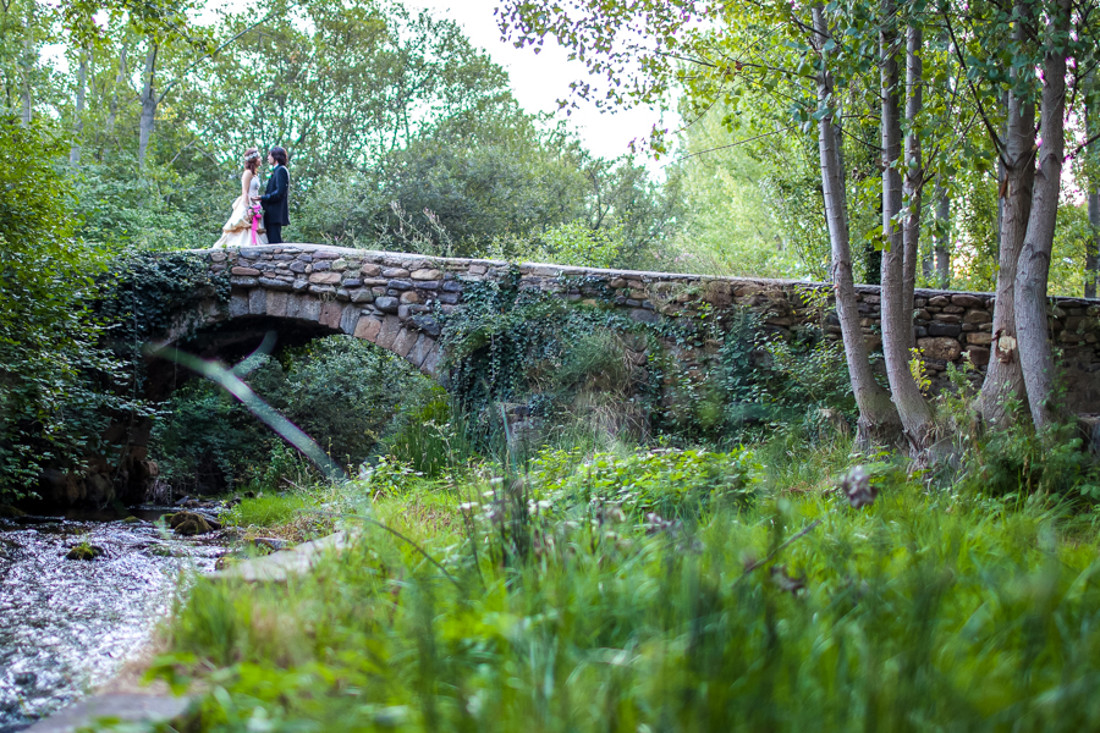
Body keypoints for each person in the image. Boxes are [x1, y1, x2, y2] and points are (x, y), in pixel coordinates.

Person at [212, 147, 267, 249]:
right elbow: (245, 191)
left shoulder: (255, 175)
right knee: (244, 226)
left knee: (254, 228)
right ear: (253, 159)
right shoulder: (248, 173)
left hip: (255, 204)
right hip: (247, 203)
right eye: (259, 158)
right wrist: (248, 208)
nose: (260, 160)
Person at [254, 146, 290, 244]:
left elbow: (279, 192)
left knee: (275, 243)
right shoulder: (277, 171)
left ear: (276, 156)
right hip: (271, 214)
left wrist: (263, 198)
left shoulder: (281, 170)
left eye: (270, 155)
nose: (268, 157)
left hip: (275, 214)